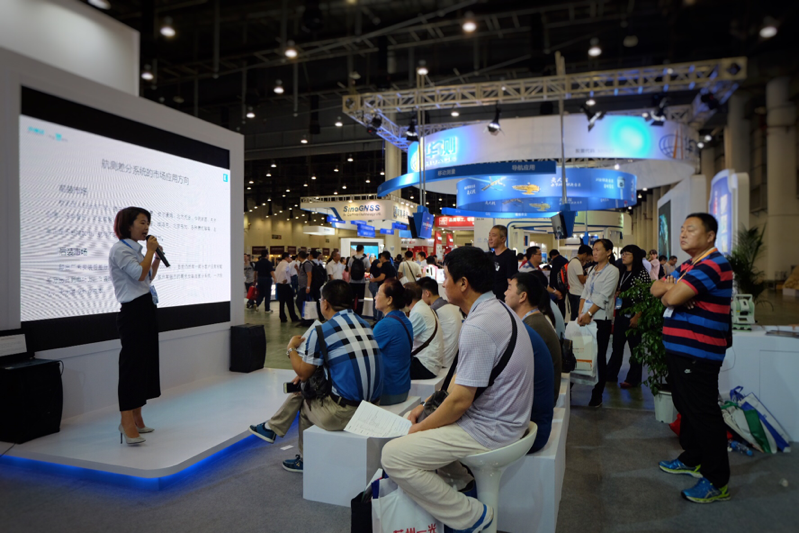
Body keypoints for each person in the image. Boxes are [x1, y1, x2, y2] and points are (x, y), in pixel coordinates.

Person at [381, 246, 535, 533]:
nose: (442, 283)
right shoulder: (498, 309)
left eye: (446, 277)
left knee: (393, 455)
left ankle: (473, 516)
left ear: (463, 283)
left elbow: (460, 401)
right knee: (422, 429)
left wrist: (420, 428)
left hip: (491, 428)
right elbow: (459, 385)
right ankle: (463, 484)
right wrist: (425, 407)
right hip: (508, 420)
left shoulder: (478, 326)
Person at [248, 281, 383, 472]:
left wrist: (291, 348)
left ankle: (304, 459)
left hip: (346, 413)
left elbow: (303, 373)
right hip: (373, 406)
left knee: (305, 401)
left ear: (325, 303)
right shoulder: (365, 324)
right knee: (307, 386)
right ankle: (271, 427)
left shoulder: (322, 332)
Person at [651, 213, 733, 503]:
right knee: (686, 407)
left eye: (691, 229)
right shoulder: (689, 265)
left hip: (698, 352)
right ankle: (693, 458)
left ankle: (717, 480)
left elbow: (670, 298)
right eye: (682, 229)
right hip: (680, 350)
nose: (683, 234)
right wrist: (673, 289)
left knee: (703, 413)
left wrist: (673, 291)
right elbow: (656, 289)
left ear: (710, 236)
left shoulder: (713, 264)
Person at [109, 207, 162, 445]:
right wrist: (150, 251)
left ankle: (138, 417)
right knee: (132, 368)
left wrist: (155, 258)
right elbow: (139, 274)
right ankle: (126, 421)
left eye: (147, 222)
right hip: (133, 314)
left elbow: (147, 278)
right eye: (142, 222)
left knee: (145, 366)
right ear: (127, 225)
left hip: (146, 309)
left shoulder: (138, 250)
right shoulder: (120, 249)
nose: (146, 227)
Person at [505, 272, 562, 402]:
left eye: (509, 288)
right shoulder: (533, 321)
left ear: (522, 296)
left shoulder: (533, 326)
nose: (505, 293)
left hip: (537, 401)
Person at [577, 239, 620, 408]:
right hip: (586, 317)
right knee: (582, 352)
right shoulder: (592, 269)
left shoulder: (613, 271)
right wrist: (581, 313)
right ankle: (572, 386)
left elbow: (604, 296)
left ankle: (597, 394)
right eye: (593, 250)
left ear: (608, 252)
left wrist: (588, 313)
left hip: (601, 318)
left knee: (599, 356)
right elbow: (585, 293)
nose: (594, 253)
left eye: (598, 250)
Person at [607, 245, 651, 388]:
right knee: (617, 346)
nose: (623, 256)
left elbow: (645, 298)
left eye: (627, 253)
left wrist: (637, 316)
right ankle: (611, 374)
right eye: (623, 253)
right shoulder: (622, 271)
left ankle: (633, 379)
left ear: (635, 256)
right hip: (621, 313)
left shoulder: (641, 273)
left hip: (633, 315)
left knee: (635, 348)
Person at [373, 279, 413, 405]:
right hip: (403, 388)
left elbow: (366, 354)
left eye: (378, 293)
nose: (375, 297)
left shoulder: (385, 325)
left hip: (388, 392)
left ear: (389, 300)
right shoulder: (406, 320)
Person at [418, 276, 462, 368]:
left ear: (427, 293)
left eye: (419, 295)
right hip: (454, 360)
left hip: (442, 363)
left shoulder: (433, 311)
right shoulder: (449, 306)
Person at [405, 282, 445, 379]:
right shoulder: (422, 308)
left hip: (425, 366)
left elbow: (403, 339)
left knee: (388, 368)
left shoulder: (418, 312)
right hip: (429, 363)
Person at [488, 225, 517, 301]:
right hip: (491, 298)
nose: (490, 238)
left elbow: (511, 281)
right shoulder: (491, 256)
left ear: (503, 239)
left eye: (494, 235)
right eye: (489, 235)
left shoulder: (510, 256)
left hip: (502, 299)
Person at [566, 245, 592, 321]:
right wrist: (590, 274)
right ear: (585, 254)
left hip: (573, 292)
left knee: (574, 314)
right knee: (577, 315)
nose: (588, 259)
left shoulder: (573, 261)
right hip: (577, 293)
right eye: (588, 257)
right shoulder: (576, 263)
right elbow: (582, 280)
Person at [371, 251, 397, 322]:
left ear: (383, 257)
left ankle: (379, 320)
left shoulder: (384, 265)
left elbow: (382, 277)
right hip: (390, 288)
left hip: (384, 288)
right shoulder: (391, 265)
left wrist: (374, 279)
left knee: (381, 304)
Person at [275, 252, 300, 323]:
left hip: (279, 285)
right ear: (286, 258)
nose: (290, 258)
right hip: (285, 285)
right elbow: (284, 271)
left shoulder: (279, 264)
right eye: (289, 257)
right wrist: (285, 278)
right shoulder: (285, 264)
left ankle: (282, 317)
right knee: (290, 302)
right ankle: (293, 317)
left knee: (282, 302)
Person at [348, 245, 371, 316]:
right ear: (362, 250)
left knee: (352, 299)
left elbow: (349, 271)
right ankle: (359, 314)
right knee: (360, 299)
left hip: (352, 282)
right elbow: (368, 269)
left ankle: (351, 313)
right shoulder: (365, 259)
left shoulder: (351, 259)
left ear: (356, 250)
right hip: (361, 282)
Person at [548, 250, 569, 318]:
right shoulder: (565, 260)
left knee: (553, 304)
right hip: (564, 285)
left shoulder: (556, 261)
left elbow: (554, 275)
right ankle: (562, 318)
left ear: (552, 256)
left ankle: (554, 318)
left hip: (557, 286)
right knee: (562, 303)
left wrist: (552, 287)